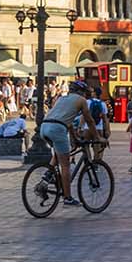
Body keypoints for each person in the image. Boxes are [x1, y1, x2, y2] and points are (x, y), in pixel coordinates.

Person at [35, 77, 100, 206]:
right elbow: (90, 121)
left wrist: (74, 138)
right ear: (82, 92)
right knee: (65, 165)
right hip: (57, 129)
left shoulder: (62, 99)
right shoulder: (81, 101)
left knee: (58, 155)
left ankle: (46, 177)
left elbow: (68, 123)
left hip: (44, 127)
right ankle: (67, 198)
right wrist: (97, 137)